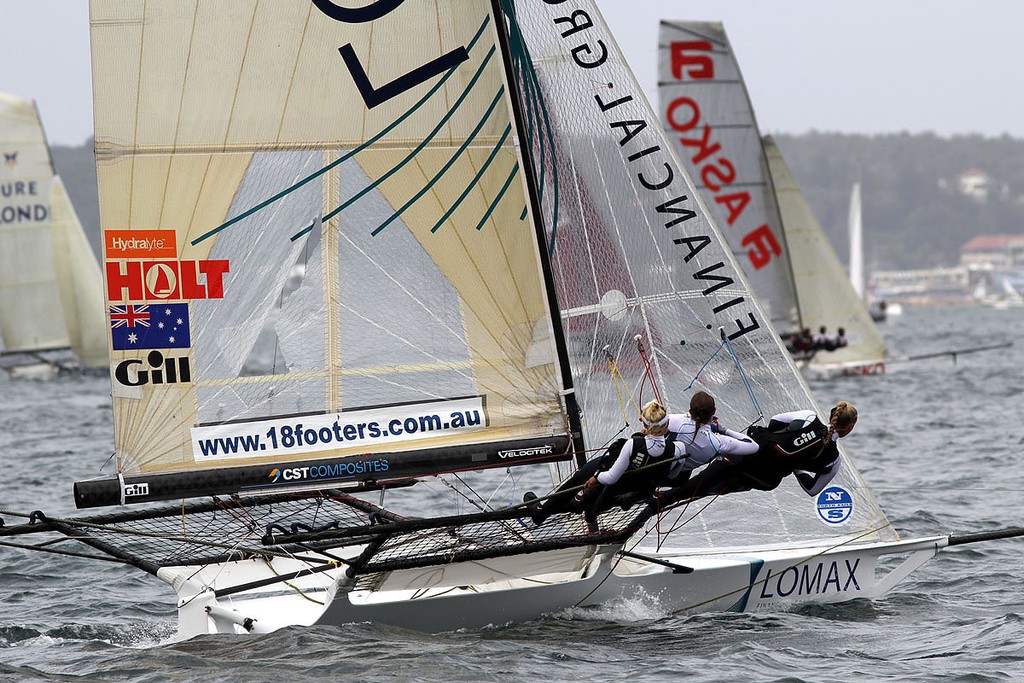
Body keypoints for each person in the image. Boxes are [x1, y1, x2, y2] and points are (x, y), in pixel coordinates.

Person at [658, 401, 858, 505]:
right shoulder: (834, 460)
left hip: (744, 457)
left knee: (689, 487)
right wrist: (796, 466)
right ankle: (655, 502)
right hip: (759, 480)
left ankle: (649, 500)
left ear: (832, 414)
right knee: (696, 492)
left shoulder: (808, 417)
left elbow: (774, 422)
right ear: (850, 426)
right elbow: (812, 489)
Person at [523, 399, 681, 528]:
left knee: (579, 478)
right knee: (592, 494)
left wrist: (596, 478)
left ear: (644, 424)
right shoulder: (678, 449)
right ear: (667, 424)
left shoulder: (633, 444)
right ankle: (583, 504)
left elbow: (611, 477)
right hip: (639, 487)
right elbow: (671, 476)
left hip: (617, 483)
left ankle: (541, 512)